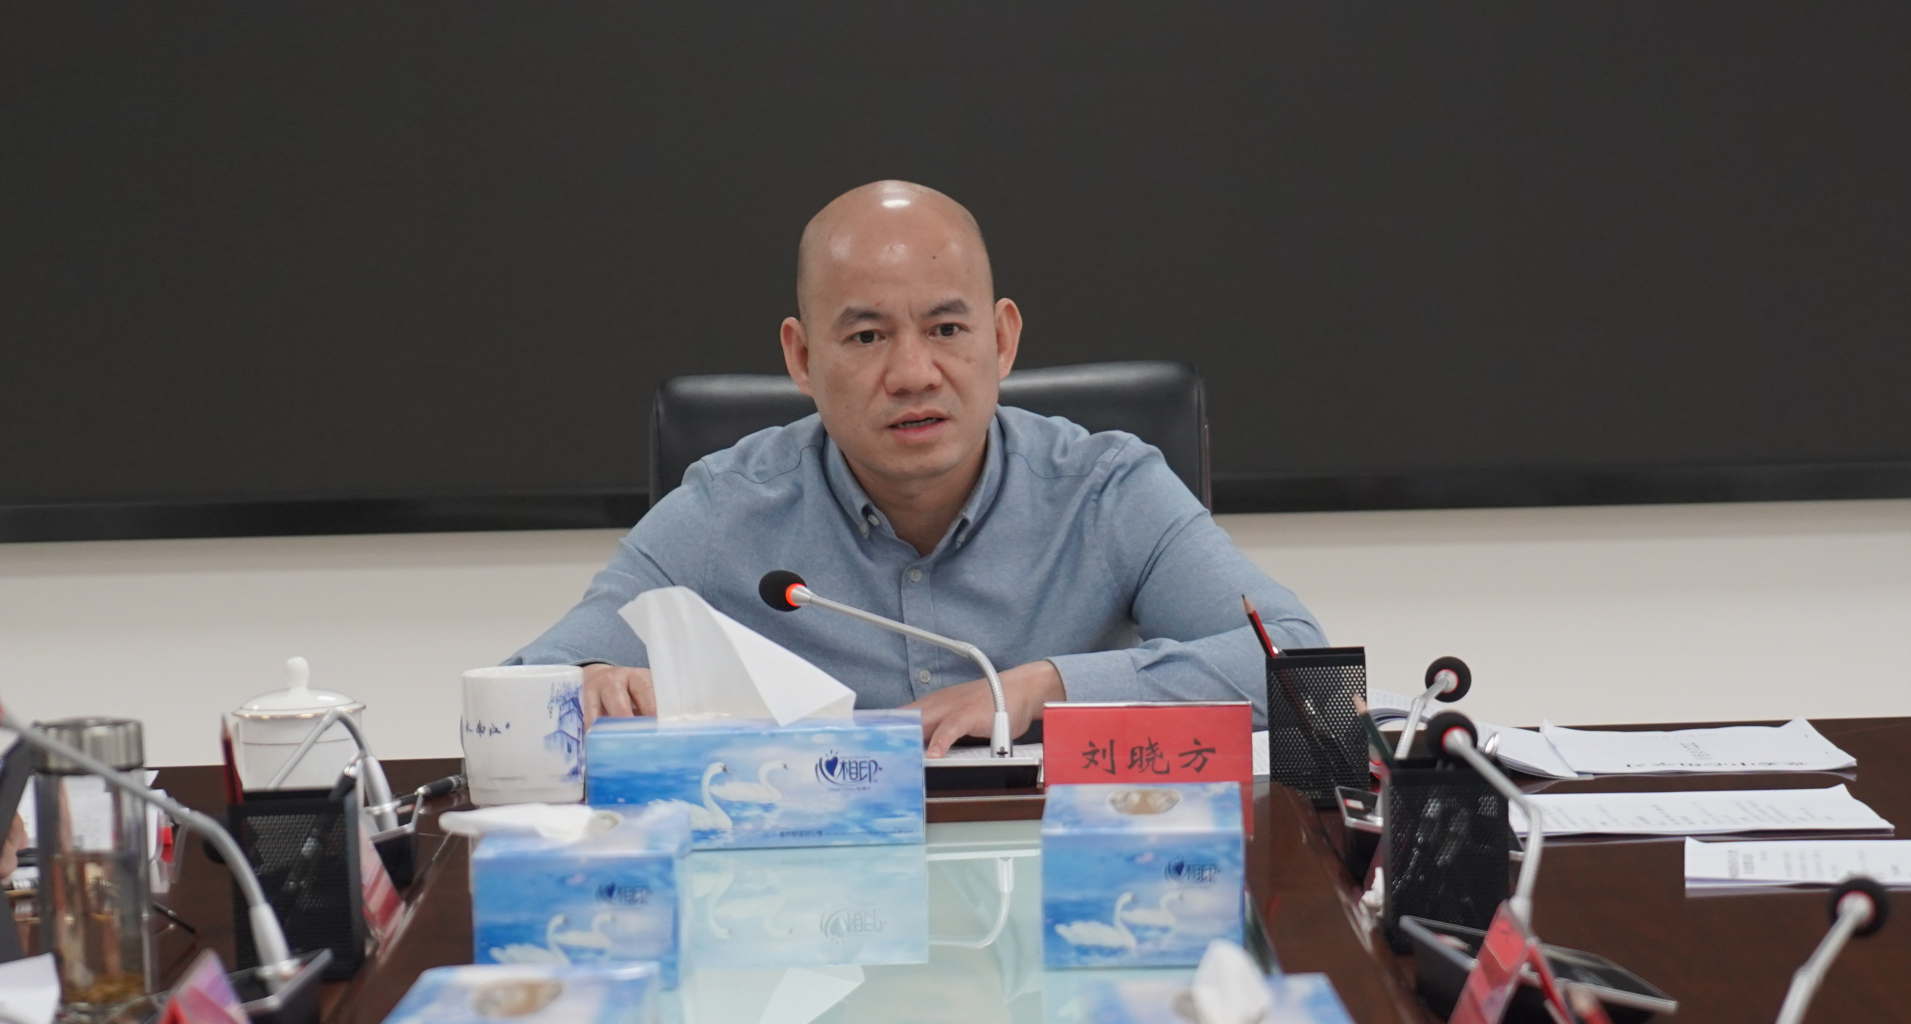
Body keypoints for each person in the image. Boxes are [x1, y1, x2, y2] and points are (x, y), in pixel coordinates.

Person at [509, 180, 1323, 755]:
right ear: (801, 356)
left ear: (1001, 340)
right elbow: (524, 685)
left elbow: (1308, 677)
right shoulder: (724, 513)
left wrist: (1041, 687)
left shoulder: (1105, 491)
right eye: (866, 337)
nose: (911, 374)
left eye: (945, 330)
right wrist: (588, 684)